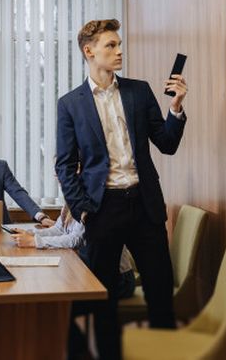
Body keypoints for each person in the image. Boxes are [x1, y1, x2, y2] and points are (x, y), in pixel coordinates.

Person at [56, 19, 187, 359]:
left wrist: (175, 108)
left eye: (119, 44)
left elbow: (167, 144)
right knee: (104, 303)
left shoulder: (139, 91)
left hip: (145, 205)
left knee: (160, 295)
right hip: (103, 210)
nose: (119, 51)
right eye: (110, 45)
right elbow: (65, 164)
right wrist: (84, 210)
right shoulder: (70, 104)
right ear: (89, 51)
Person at [12, 205, 136, 360]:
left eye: (61, 178)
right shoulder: (71, 200)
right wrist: (30, 234)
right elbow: (59, 229)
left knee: (59, 304)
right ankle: (77, 349)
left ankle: (77, 351)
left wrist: (35, 241)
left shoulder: (91, 201)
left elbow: (75, 240)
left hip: (118, 279)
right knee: (55, 302)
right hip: (93, 272)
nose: (59, 180)